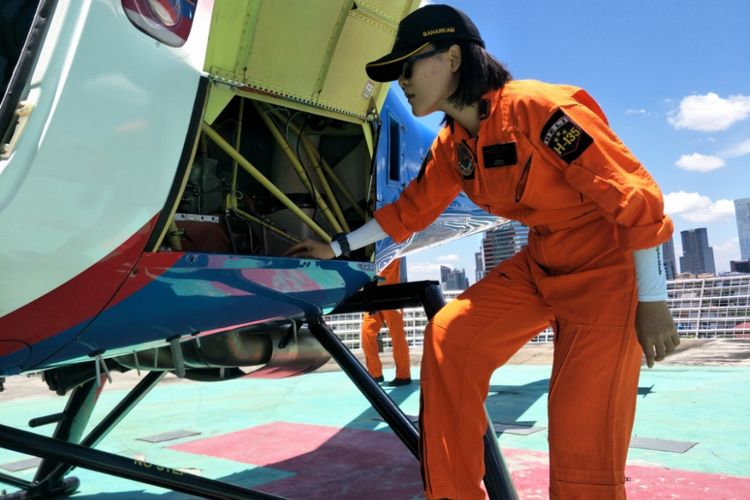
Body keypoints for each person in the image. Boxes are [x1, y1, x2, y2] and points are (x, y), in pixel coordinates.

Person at [286, 4, 680, 499]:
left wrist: (653, 300)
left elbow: (637, 198)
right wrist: (336, 246)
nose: (401, 83)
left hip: (607, 272)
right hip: (542, 260)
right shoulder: (455, 145)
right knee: (452, 337)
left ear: (452, 58)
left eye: (408, 68)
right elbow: (410, 211)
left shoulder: (541, 110)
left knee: (582, 437)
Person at [360, 259, 412, 386]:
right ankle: (375, 374)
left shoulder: (392, 246)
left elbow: (385, 275)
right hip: (373, 297)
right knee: (366, 332)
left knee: (397, 336)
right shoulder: (370, 248)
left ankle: (403, 376)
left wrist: (368, 282)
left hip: (391, 295)